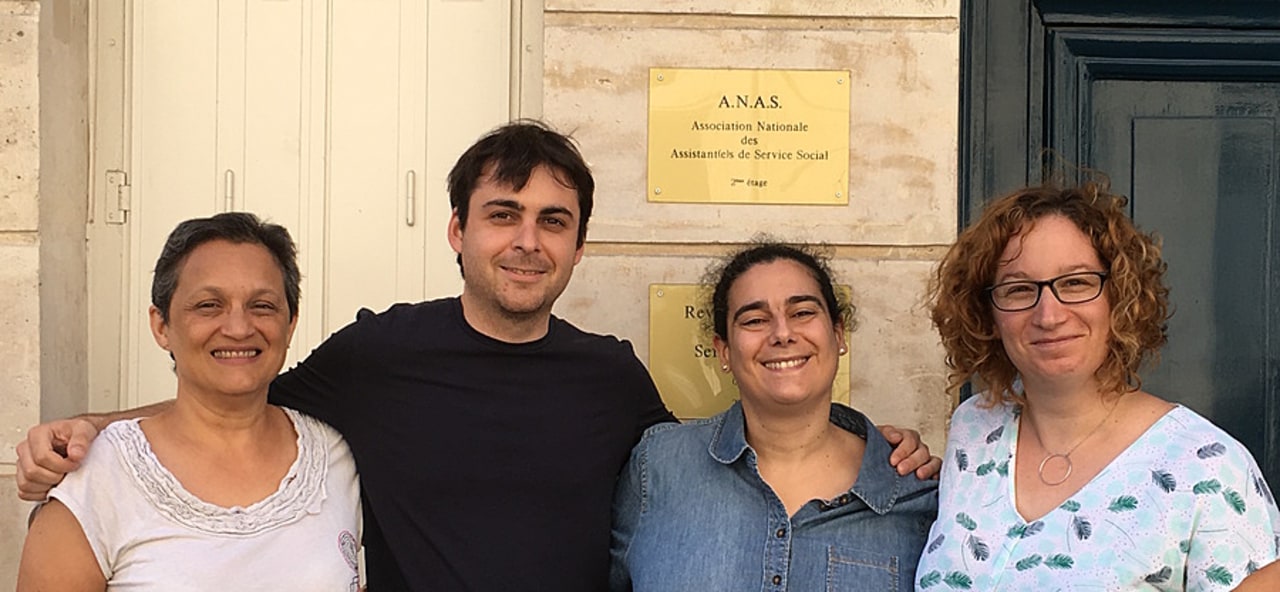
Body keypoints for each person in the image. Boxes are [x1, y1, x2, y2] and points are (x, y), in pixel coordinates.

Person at [16, 121, 937, 591]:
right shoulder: (380, 353)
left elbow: (724, 454)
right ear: (458, 231)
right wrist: (91, 430)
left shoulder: (608, 374)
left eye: (553, 222)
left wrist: (861, 439)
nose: (527, 242)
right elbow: (232, 396)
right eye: (503, 215)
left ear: (579, 247)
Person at [918, 182, 1280, 590]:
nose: (1049, 315)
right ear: (986, 313)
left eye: (1075, 283)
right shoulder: (975, 428)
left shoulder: (1207, 468)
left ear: (1120, 296)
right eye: (1019, 289)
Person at [17, 213, 360, 590]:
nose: (238, 328)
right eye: (208, 306)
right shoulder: (97, 480)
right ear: (161, 326)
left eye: (262, 306)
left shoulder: (334, 459)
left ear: (290, 323)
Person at [609, 242, 939, 591]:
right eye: (755, 320)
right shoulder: (658, 467)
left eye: (802, 313)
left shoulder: (914, 493)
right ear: (724, 351)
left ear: (838, 334)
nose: (782, 334)